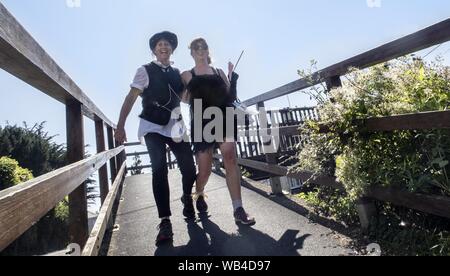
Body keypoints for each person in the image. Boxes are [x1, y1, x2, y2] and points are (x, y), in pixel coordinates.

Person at [115, 31, 197, 246]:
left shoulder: (177, 72)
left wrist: (206, 93)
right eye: (160, 44)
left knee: (189, 168)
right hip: (152, 125)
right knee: (159, 167)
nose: (164, 47)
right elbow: (131, 97)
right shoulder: (144, 71)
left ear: (172, 50)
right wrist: (121, 125)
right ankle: (165, 221)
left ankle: (187, 196)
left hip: (176, 125)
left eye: (168, 44)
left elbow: (186, 98)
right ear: (154, 50)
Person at [181, 38, 255, 225]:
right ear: (191, 53)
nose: (200, 50)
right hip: (202, 121)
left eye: (203, 47)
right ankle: (198, 194)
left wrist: (231, 77)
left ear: (208, 51)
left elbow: (231, 97)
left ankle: (238, 209)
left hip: (224, 117)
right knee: (204, 171)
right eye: (196, 48)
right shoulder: (187, 75)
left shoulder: (218, 71)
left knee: (230, 156)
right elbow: (184, 99)